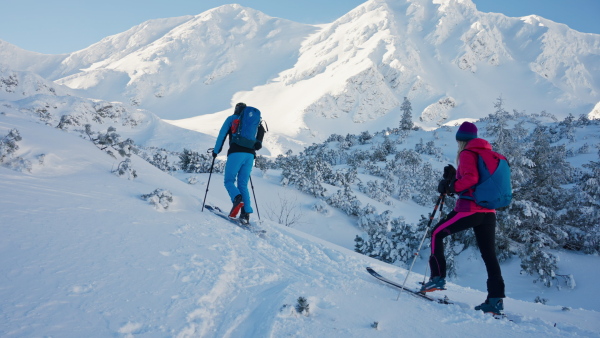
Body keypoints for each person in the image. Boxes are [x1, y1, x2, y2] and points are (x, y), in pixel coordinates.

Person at [420, 121, 506, 315]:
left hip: (470, 210)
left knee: (436, 234)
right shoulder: (486, 153)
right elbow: (476, 180)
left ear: (461, 140)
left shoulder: (468, 153)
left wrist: (451, 187)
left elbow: (471, 179)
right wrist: (454, 179)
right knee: (489, 255)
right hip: (488, 212)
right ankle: (495, 300)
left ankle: (437, 278)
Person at [212, 102, 265, 224]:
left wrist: (216, 151)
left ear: (236, 109)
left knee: (229, 181)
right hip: (250, 155)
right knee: (243, 184)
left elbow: (222, 135)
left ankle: (237, 198)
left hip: (236, 152)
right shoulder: (252, 121)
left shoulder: (232, 119)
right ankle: (245, 214)